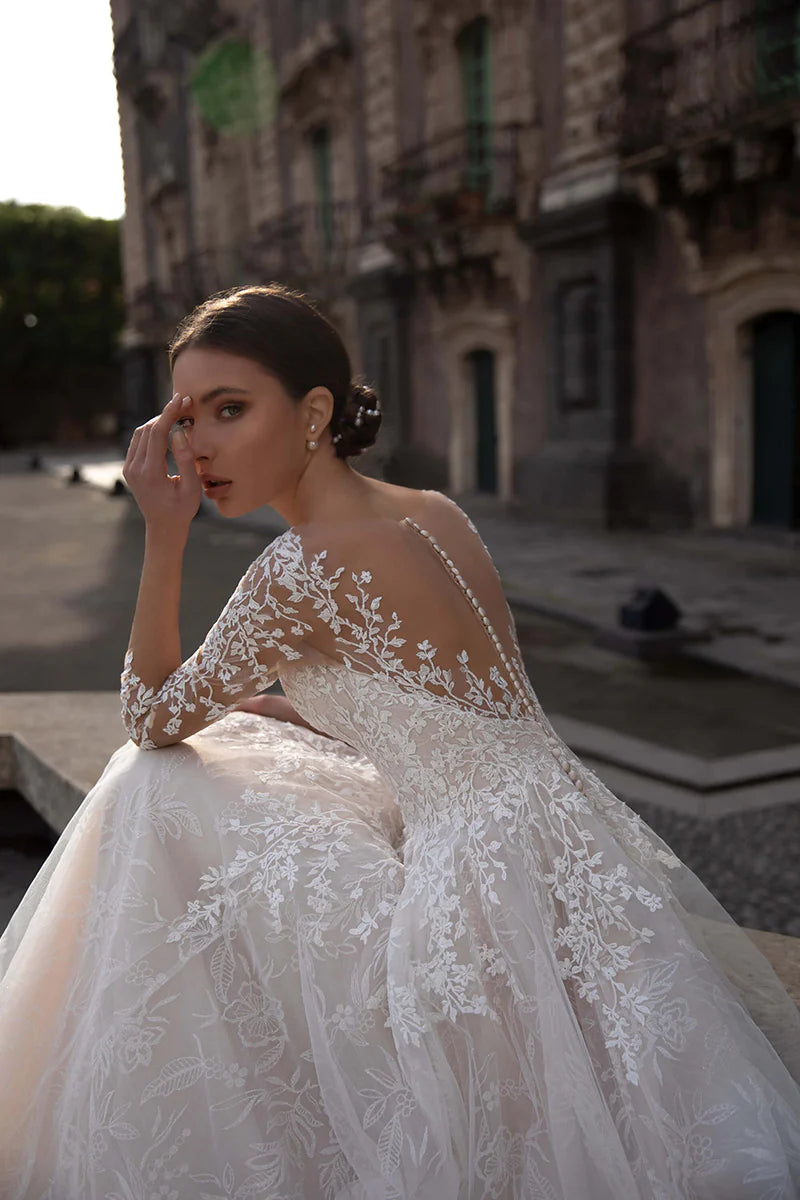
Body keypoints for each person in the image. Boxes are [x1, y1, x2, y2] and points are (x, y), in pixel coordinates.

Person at [0, 284, 799, 1200]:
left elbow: (148, 715)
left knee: (145, 781)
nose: (198, 447)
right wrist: (292, 709)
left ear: (313, 413)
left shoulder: (294, 570)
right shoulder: (434, 510)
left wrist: (164, 533)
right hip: (566, 840)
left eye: (229, 409)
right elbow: (441, 707)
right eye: (184, 419)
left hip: (466, 886)